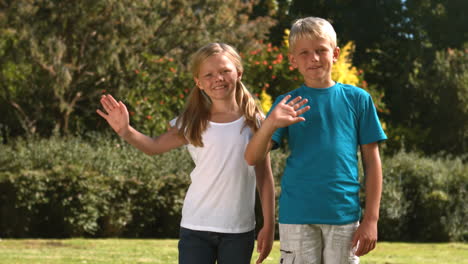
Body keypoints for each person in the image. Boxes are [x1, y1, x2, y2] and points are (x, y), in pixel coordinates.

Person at [97, 43, 275, 264]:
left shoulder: (257, 122)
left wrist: (269, 225)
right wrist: (126, 131)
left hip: (239, 230)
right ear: (198, 82)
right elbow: (153, 147)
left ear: (238, 73)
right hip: (196, 227)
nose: (218, 78)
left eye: (224, 71)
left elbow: (265, 177)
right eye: (208, 74)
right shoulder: (193, 122)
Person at [245, 17, 387, 264]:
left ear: (335, 54)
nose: (314, 58)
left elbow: (373, 164)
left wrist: (371, 219)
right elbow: (252, 157)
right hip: (297, 215)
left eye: (321, 50)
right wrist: (270, 123)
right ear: (293, 60)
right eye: (304, 53)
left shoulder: (359, 100)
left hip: (344, 215)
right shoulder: (285, 103)